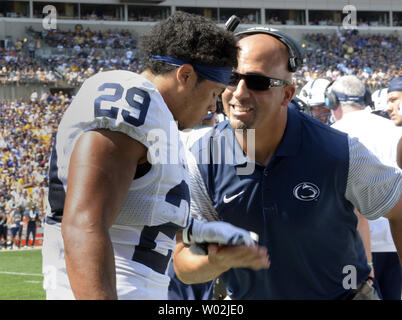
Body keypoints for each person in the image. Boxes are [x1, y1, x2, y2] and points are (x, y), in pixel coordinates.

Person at [42, 12, 265, 300]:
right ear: (185, 75)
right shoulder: (132, 97)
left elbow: (140, 219)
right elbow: (84, 223)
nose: (213, 106)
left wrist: (204, 232)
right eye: (213, 92)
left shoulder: (159, 120)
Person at [171, 27, 402, 300]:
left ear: (287, 95)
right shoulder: (202, 158)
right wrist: (217, 262)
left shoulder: (339, 151)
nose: (239, 93)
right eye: (232, 78)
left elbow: (398, 209)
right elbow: (184, 265)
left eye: (257, 82)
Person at [330, 75, 402, 300]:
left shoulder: (332, 134)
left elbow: (352, 208)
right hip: (395, 239)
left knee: (352, 295)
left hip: (355, 250)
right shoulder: (394, 128)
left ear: (333, 102)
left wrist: (367, 261)